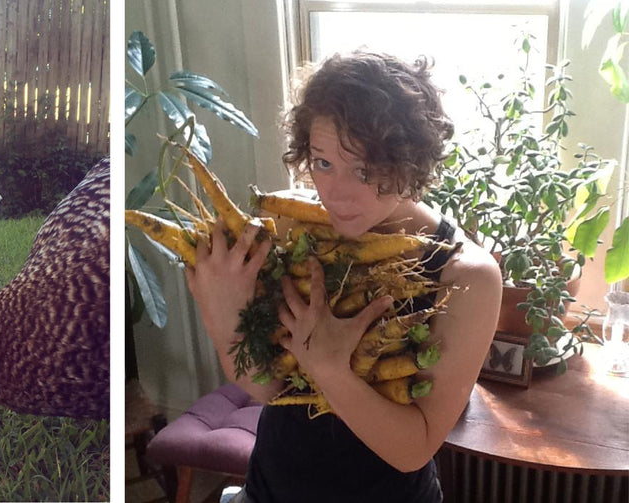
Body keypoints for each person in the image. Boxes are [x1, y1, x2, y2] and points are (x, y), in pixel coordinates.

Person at [185, 51, 503, 502]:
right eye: (323, 163)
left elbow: (414, 449)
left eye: (365, 170)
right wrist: (222, 319)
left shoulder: (465, 276)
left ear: (411, 161)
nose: (336, 194)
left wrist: (330, 368)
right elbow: (269, 388)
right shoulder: (289, 229)